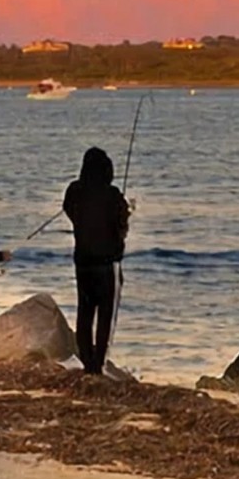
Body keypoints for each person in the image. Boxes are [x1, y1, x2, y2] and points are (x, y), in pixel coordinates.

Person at [62, 145, 133, 374]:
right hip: (106, 264)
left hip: (82, 263)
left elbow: (68, 210)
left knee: (85, 312)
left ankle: (86, 362)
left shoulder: (74, 190)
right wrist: (126, 213)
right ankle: (99, 364)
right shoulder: (113, 195)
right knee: (105, 315)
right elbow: (121, 226)